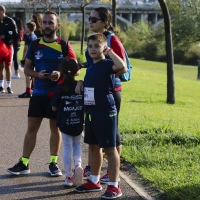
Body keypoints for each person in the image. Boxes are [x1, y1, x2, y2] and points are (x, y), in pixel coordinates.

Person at [7, 11, 77, 176]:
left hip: (57, 94)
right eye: (44, 23)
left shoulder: (64, 45)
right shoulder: (35, 44)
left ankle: (53, 163)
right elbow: (27, 69)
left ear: (57, 25)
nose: (47, 25)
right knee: (32, 127)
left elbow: (75, 70)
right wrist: (37, 75)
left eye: (50, 23)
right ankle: (24, 163)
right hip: (38, 92)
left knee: (55, 128)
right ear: (41, 25)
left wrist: (61, 74)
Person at [74, 33, 126, 199]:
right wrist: (81, 82)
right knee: (94, 146)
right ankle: (94, 181)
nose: (93, 49)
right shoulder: (91, 67)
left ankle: (114, 185)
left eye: (97, 46)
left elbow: (122, 66)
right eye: (90, 46)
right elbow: (92, 83)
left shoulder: (107, 64)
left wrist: (110, 51)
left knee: (110, 149)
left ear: (104, 47)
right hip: (92, 112)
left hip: (105, 111)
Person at [82, 7, 126, 184]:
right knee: (94, 139)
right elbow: (95, 64)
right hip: (94, 97)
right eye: (90, 18)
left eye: (94, 19)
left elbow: (121, 66)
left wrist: (105, 77)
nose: (91, 21)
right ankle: (94, 172)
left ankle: (112, 174)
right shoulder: (93, 41)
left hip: (110, 92)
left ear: (105, 22)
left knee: (111, 137)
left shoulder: (111, 40)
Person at [51, 58, 84, 186]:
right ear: (77, 71)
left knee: (66, 147)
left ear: (62, 72)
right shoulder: (80, 86)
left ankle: (69, 176)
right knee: (77, 145)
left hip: (65, 122)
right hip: (78, 121)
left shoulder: (59, 87)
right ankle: (78, 165)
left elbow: (54, 107)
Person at [0, 5, 18, 93]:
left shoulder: (10, 21)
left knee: (8, 66)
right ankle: (1, 86)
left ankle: (8, 87)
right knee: (0, 67)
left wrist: (5, 36)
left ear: (1, 11)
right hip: (0, 47)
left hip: (8, 47)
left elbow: (16, 33)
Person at [18, 22, 37, 98]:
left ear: (29, 28)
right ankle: (34, 90)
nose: (25, 29)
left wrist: (23, 59)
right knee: (33, 75)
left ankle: (28, 91)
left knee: (27, 74)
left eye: (26, 27)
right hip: (35, 57)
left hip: (29, 57)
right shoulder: (35, 36)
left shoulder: (28, 37)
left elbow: (25, 49)